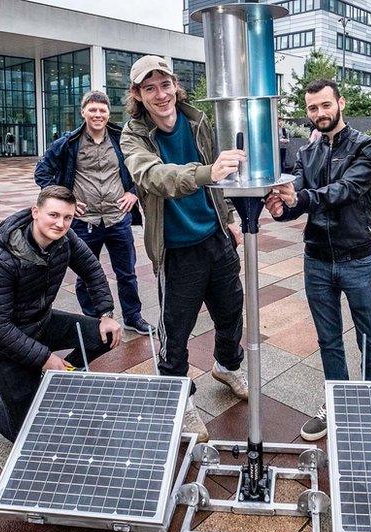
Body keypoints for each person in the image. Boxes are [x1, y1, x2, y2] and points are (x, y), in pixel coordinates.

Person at [119, 55, 249, 442]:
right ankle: (179, 395)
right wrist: (208, 173)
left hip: (214, 237)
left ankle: (226, 366)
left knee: (231, 311)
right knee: (176, 331)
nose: (161, 95)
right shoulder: (133, 135)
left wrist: (226, 216)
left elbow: (217, 175)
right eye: (150, 88)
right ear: (138, 95)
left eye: (165, 85)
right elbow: (154, 177)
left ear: (175, 85)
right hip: (176, 248)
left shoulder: (198, 121)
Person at [0, 186, 124, 442]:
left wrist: (106, 313)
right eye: (53, 215)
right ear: (35, 212)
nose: (61, 223)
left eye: (67, 217)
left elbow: (92, 270)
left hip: (42, 322)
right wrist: (46, 359)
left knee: (105, 335)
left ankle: (57, 383)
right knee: (21, 433)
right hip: (4, 344)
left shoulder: (65, 240)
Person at [265, 79, 371, 442]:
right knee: (328, 340)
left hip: (357, 259)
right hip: (316, 259)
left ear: (341, 103)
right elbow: (299, 196)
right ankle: (336, 402)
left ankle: (370, 404)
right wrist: (280, 208)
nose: (319, 114)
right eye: (313, 108)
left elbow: (345, 191)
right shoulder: (307, 152)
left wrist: (299, 200)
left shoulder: (367, 146)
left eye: (325, 106)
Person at [34, 90, 154, 335]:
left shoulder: (123, 138)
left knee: (127, 273)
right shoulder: (68, 143)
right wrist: (65, 203)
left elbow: (144, 169)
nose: (98, 114)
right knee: (86, 275)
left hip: (117, 219)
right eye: (92, 110)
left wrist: (133, 192)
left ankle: (133, 316)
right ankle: (95, 320)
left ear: (109, 113)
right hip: (84, 223)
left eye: (102, 110)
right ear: (83, 112)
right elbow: (42, 172)